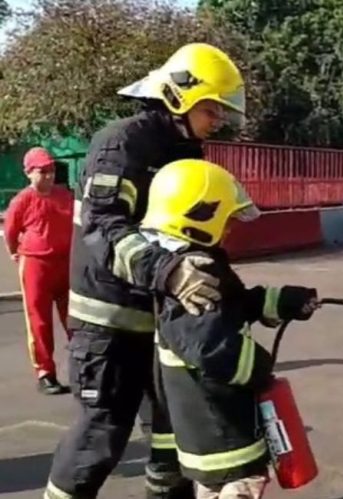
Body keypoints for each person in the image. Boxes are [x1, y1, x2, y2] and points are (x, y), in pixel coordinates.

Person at [45, 42, 247, 499]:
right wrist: (170, 272)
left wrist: (243, 298)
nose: (218, 121)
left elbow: (194, 234)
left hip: (158, 319)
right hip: (108, 321)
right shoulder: (121, 143)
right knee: (101, 434)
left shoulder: (185, 152)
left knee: (170, 430)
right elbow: (103, 227)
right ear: (181, 96)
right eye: (213, 109)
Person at [140, 158, 319, 498]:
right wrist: (260, 368)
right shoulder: (196, 277)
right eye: (226, 219)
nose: (231, 228)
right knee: (240, 488)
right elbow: (210, 346)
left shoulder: (185, 266)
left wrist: (281, 301)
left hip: (210, 430)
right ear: (197, 217)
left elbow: (231, 307)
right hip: (221, 433)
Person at [4, 146, 74, 395]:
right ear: (29, 173)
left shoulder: (64, 196)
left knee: (74, 319)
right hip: (36, 265)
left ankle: (84, 369)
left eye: (51, 170)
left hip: (65, 263)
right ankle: (45, 373)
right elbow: (11, 232)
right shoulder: (22, 200)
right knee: (39, 322)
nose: (48, 176)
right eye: (42, 171)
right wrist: (15, 252)